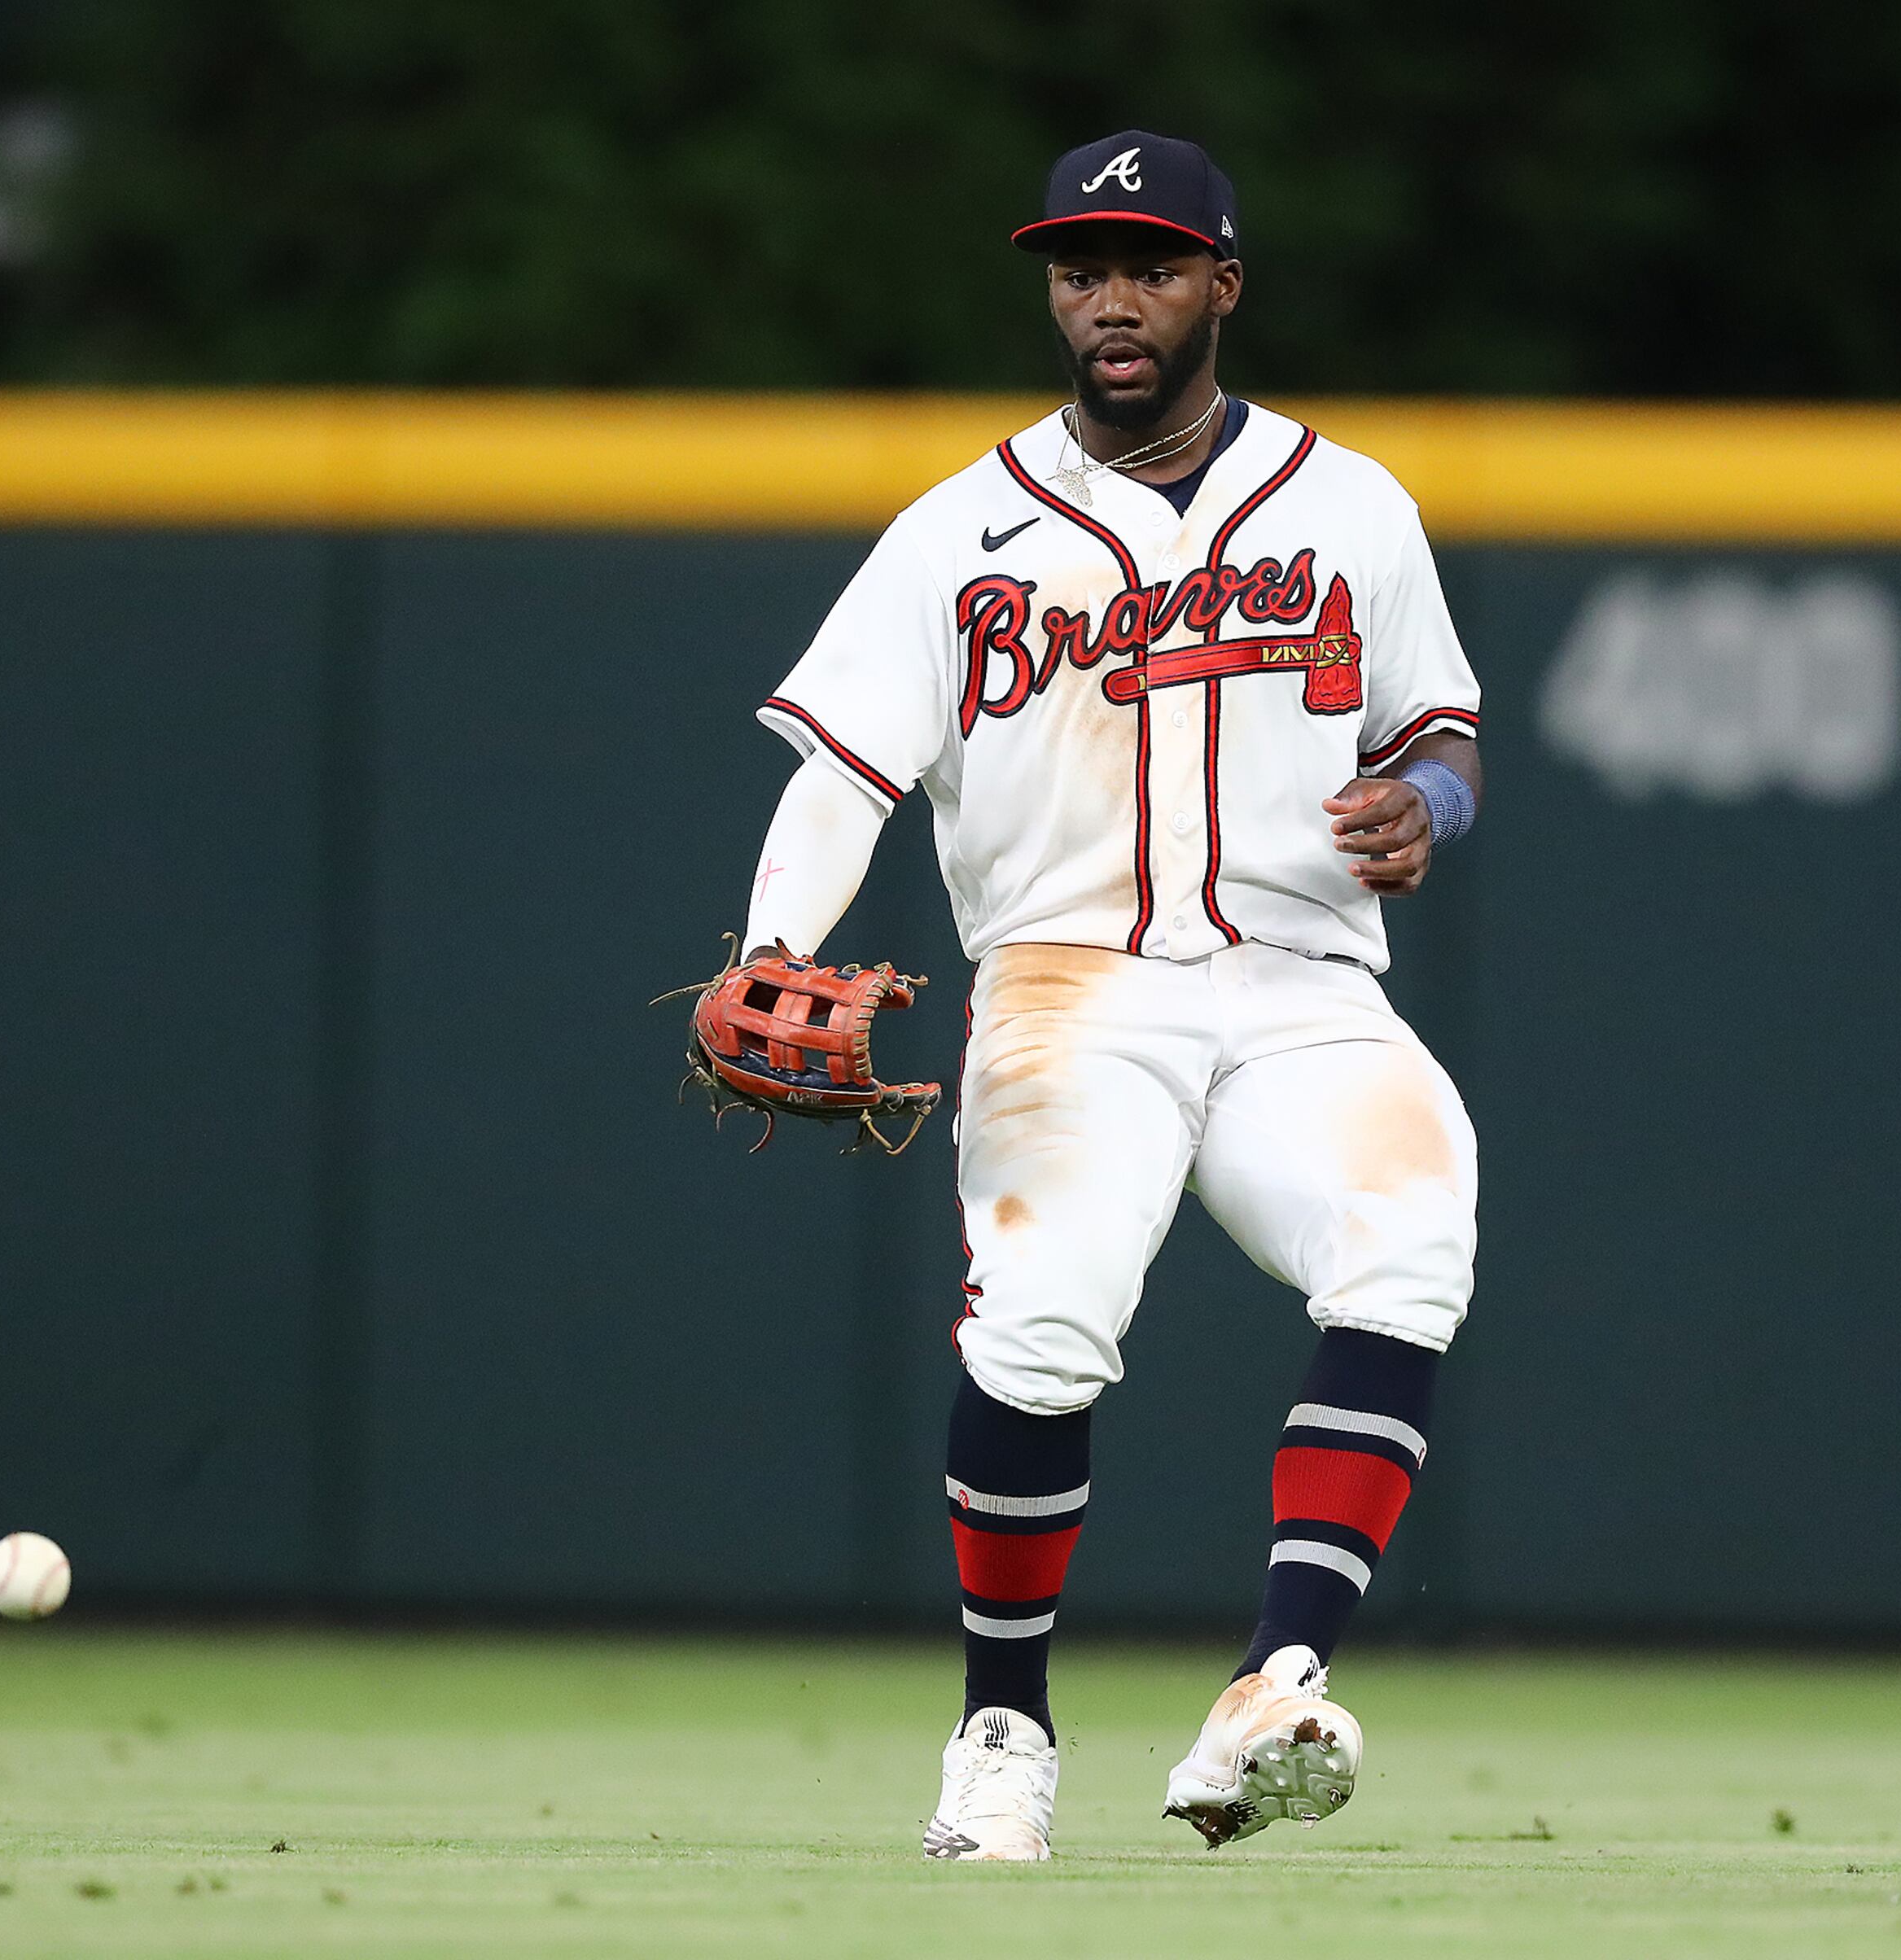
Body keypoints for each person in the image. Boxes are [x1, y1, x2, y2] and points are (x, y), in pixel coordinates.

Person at [734, 129, 1485, 1862]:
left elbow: (1438, 732)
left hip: (1303, 978)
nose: (1108, 297)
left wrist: (1422, 807)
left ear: (1223, 283)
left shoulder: (1350, 501)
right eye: (1080, 267)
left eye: (1148, 263)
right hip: (1075, 980)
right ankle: (1004, 1727)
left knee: (1413, 1230)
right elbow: (845, 771)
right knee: (1047, 1319)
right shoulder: (958, 527)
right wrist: (771, 943)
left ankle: (1271, 1684)